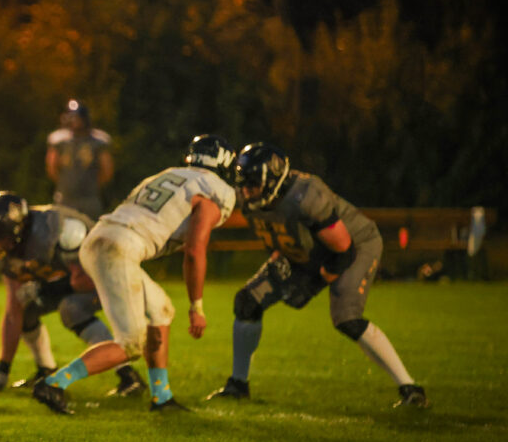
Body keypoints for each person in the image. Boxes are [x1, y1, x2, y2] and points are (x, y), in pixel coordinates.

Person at [207, 143, 429, 408]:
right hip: (304, 251)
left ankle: (410, 389)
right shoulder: (250, 198)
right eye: (243, 183)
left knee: (346, 318)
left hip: (354, 246)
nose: (245, 191)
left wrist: (313, 283)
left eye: (252, 184)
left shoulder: (306, 196)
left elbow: (342, 251)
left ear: (274, 180)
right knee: (247, 302)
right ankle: (238, 385)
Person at [32, 135, 236, 415]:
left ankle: (161, 398)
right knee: (130, 344)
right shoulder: (216, 190)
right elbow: (194, 250)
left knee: (161, 311)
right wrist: (196, 306)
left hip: (100, 237)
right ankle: (53, 384)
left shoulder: (168, 175)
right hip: (120, 248)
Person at [0, 191, 145, 396]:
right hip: (69, 280)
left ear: (18, 227)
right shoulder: (4, 250)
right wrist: (2, 371)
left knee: (71, 309)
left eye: (0, 236)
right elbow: (14, 310)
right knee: (26, 310)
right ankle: (45, 370)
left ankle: (128, 376)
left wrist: (48, 288)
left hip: (108, 273)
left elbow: (88, 279)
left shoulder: (59, 229)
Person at [45, 99, 114, 219]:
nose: (74, 121)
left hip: (89, 199)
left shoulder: (98, 141)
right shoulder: (59, 140)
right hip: (65, 198)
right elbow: (51, 167)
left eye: (77, 118)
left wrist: (92, 187)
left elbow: (107, 171)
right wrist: (64, 185)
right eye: (71, 117)